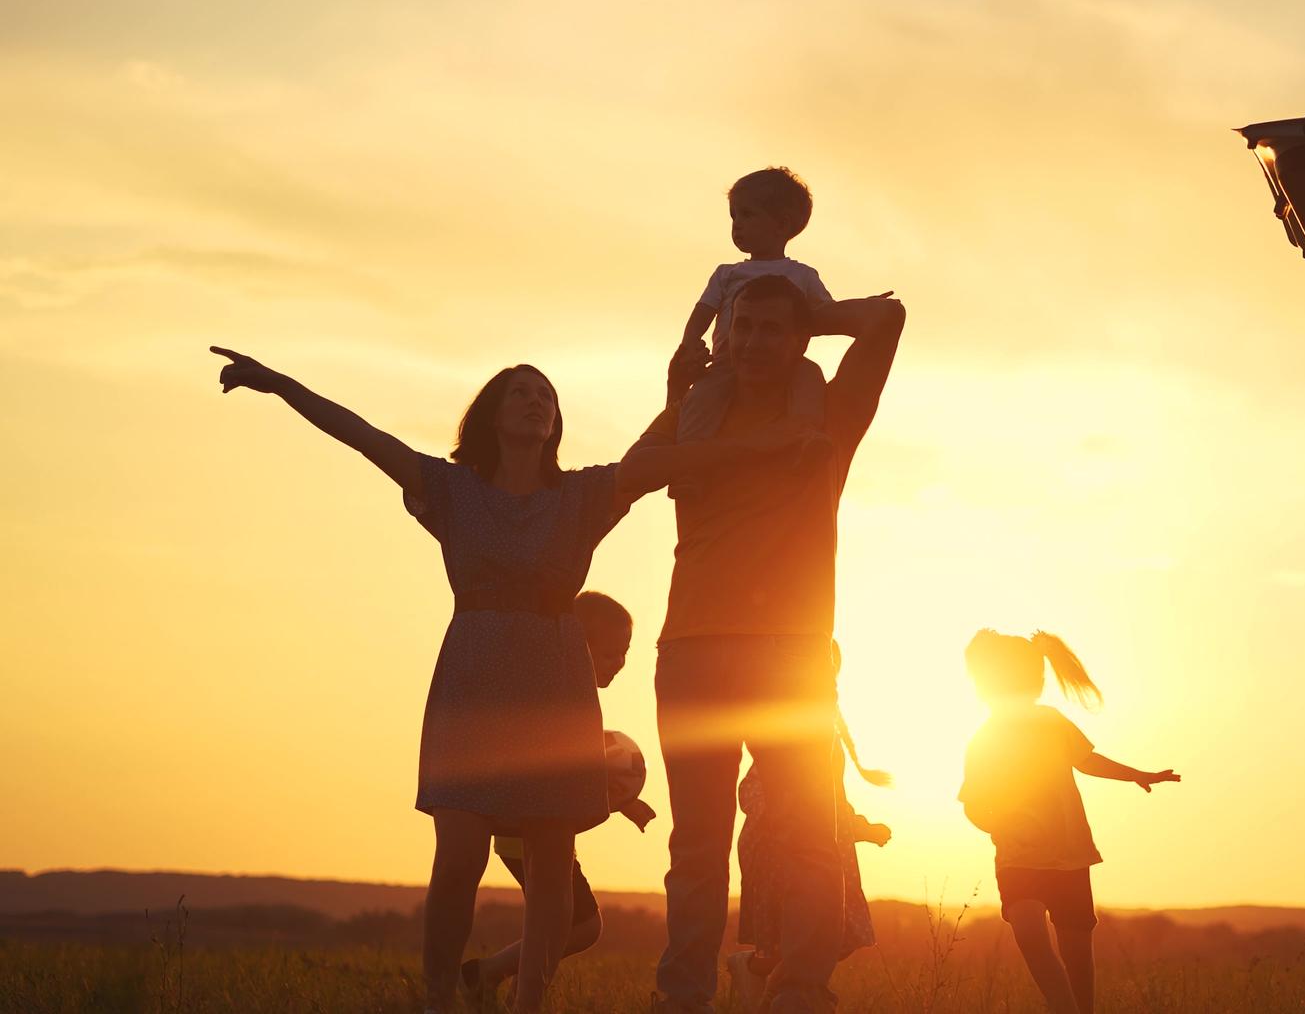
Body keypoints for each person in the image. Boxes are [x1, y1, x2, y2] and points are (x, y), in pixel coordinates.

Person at [209, 349, 801, 1014]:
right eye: (520, 393)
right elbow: (362, 435)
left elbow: (665, 461)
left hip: (555, 683)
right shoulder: (452, 490)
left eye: (545, 396)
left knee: (552, 865)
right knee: (459, 851)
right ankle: (437, 997)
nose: (535, 402)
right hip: (475, 675)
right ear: (492, 415)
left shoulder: (581, 495)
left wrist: (756, 437)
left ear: (555, 423)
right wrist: (279, 383)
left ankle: (527, 1005)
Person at [635, 280, 906, 1014]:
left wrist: (806, 315)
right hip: (692, 650)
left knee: (808, 831)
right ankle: (683, 995)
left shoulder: (830, 415)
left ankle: (801, 991)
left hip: (790, 651)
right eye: (741, 328)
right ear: (723, 336)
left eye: (769, 331)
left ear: (799, 344)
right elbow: (625, 479)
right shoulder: (694, 414)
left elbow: (887, 317)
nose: (752, 342)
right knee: (696, 844)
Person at [958, 630, 1180, 1014]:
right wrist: (1000, 826)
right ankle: (1064, 1007)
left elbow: (1087, 760)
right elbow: (973, 804)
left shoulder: (1052, 723)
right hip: (1018, 859)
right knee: (1029, 932)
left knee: (1078, 958)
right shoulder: (984, 739)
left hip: (1070, 856)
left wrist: (1138, 775)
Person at [461, 590, 658, 1007]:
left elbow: (576, 769)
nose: (619, 663)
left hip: (538, 828)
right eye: (610, 653)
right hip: (526, 829)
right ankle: (498, 980)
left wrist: (621, 799)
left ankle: (504, 984)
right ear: (576, 644)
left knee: (562, 922)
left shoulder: (577, 697)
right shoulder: (561, 697)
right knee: (574, 925)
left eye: (624, 654)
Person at [728, 647, 893, 1011]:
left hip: (826, 844)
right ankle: (790, 990)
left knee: (834, 935)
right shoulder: (784, 735)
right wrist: (774, 826)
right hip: (780, 849)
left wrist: (859, 828)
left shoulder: (825, 735)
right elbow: (756, 792)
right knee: (800, 934)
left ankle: (772, 978)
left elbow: (832, 799)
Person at [674, 167, 836, 439]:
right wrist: (689, 343)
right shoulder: (727, 274)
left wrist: (862, 306)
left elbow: (826, 313)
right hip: (728, 363)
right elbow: (704, 310)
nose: (737, 224)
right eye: (734, 216)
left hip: (786, 362)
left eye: (747, 214)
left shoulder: (802, 275)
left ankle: (804, 439)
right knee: (701, 399)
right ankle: (687, 467)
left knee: (810, 378)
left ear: (781, 224)